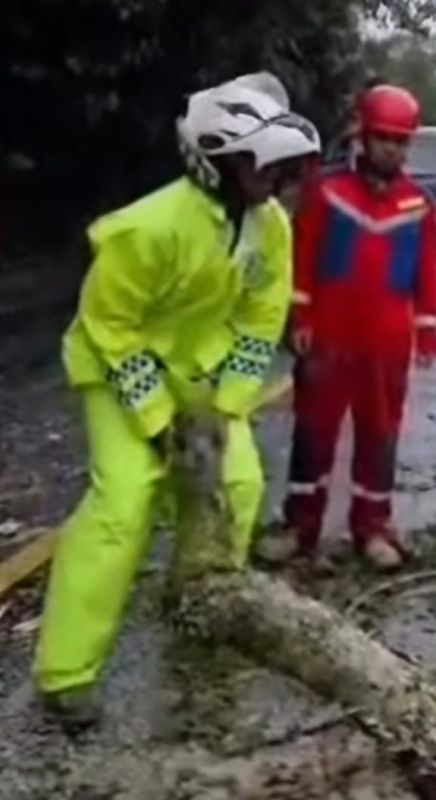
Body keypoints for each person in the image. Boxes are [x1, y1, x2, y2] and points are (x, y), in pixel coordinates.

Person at [33, 72, 321, 728]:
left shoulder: (272, 227)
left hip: (202, 375)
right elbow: (110, 326)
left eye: (275, 165)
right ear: (215, 162)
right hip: (117, 370)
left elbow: (259, 321)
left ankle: (200, 603)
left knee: (238, 485)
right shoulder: (147, 228)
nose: (271, 178)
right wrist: (160, 423)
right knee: (125, 500)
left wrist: (227, 409)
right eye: (256, 163)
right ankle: (66, 674)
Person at [256, 85, 436, 571]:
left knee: (380, 434)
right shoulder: (326, 193)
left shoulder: (419, 206)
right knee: (313, 433)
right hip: (328, 339)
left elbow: (426, 274)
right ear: (363, 136)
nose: (392, 149)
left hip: (388, 344)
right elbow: (302, 259)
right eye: (384, 138)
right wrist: (300, 318)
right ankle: (300, 527)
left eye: (401, 141)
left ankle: (373, 528)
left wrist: (427, 330)